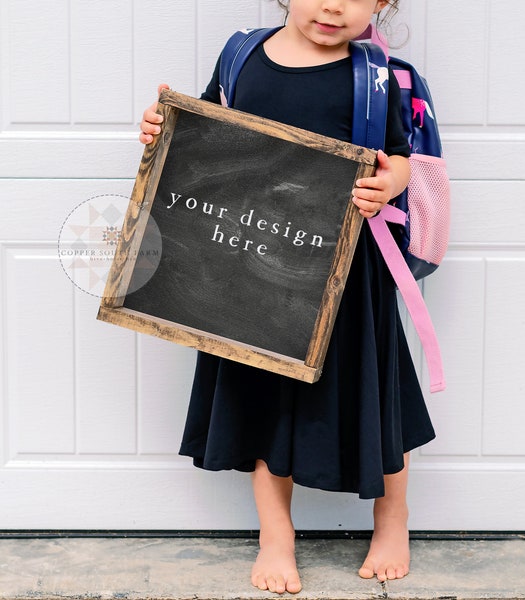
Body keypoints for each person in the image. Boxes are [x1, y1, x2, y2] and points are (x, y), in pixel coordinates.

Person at [139, 0, 435, 594]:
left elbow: (402, 158)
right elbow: (205, 143)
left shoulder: (377, 75)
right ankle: (276, 536)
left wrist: (388, 182)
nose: (334, 5)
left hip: (350, 275)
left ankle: (392, 521)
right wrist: (159, 128)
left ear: (381, 3)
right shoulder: (241, 56)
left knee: (376, 393)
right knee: (263, 397)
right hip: (252, 269)